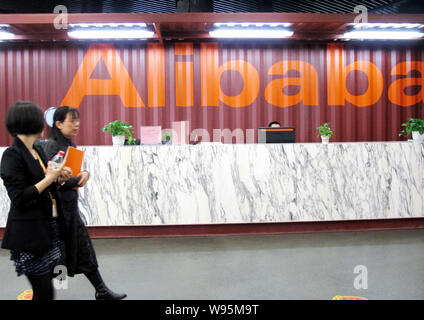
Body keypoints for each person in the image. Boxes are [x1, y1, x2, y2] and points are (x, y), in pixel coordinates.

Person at [39, 106, 127, 300]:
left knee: (83, 250)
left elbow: (74, 170)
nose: (77, 125)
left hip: (70, 209)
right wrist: (76, 180)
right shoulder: (51, 146)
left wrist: (85, 173)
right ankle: (44, 294)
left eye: (78, 121)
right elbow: (52, 179)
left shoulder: (69, 145)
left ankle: (101, 289)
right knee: (57, 256)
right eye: (72, 121)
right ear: (59, 123)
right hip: (58, 213)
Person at [1, 101, 71, 300]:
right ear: (30, 122)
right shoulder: (12, 155)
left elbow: (43, 186)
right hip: (30, 234)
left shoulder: (37, 150)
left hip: (48, 226)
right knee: (44, 291)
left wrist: (57, 178)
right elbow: (20, 198)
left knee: (52, 282)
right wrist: (49, 178)